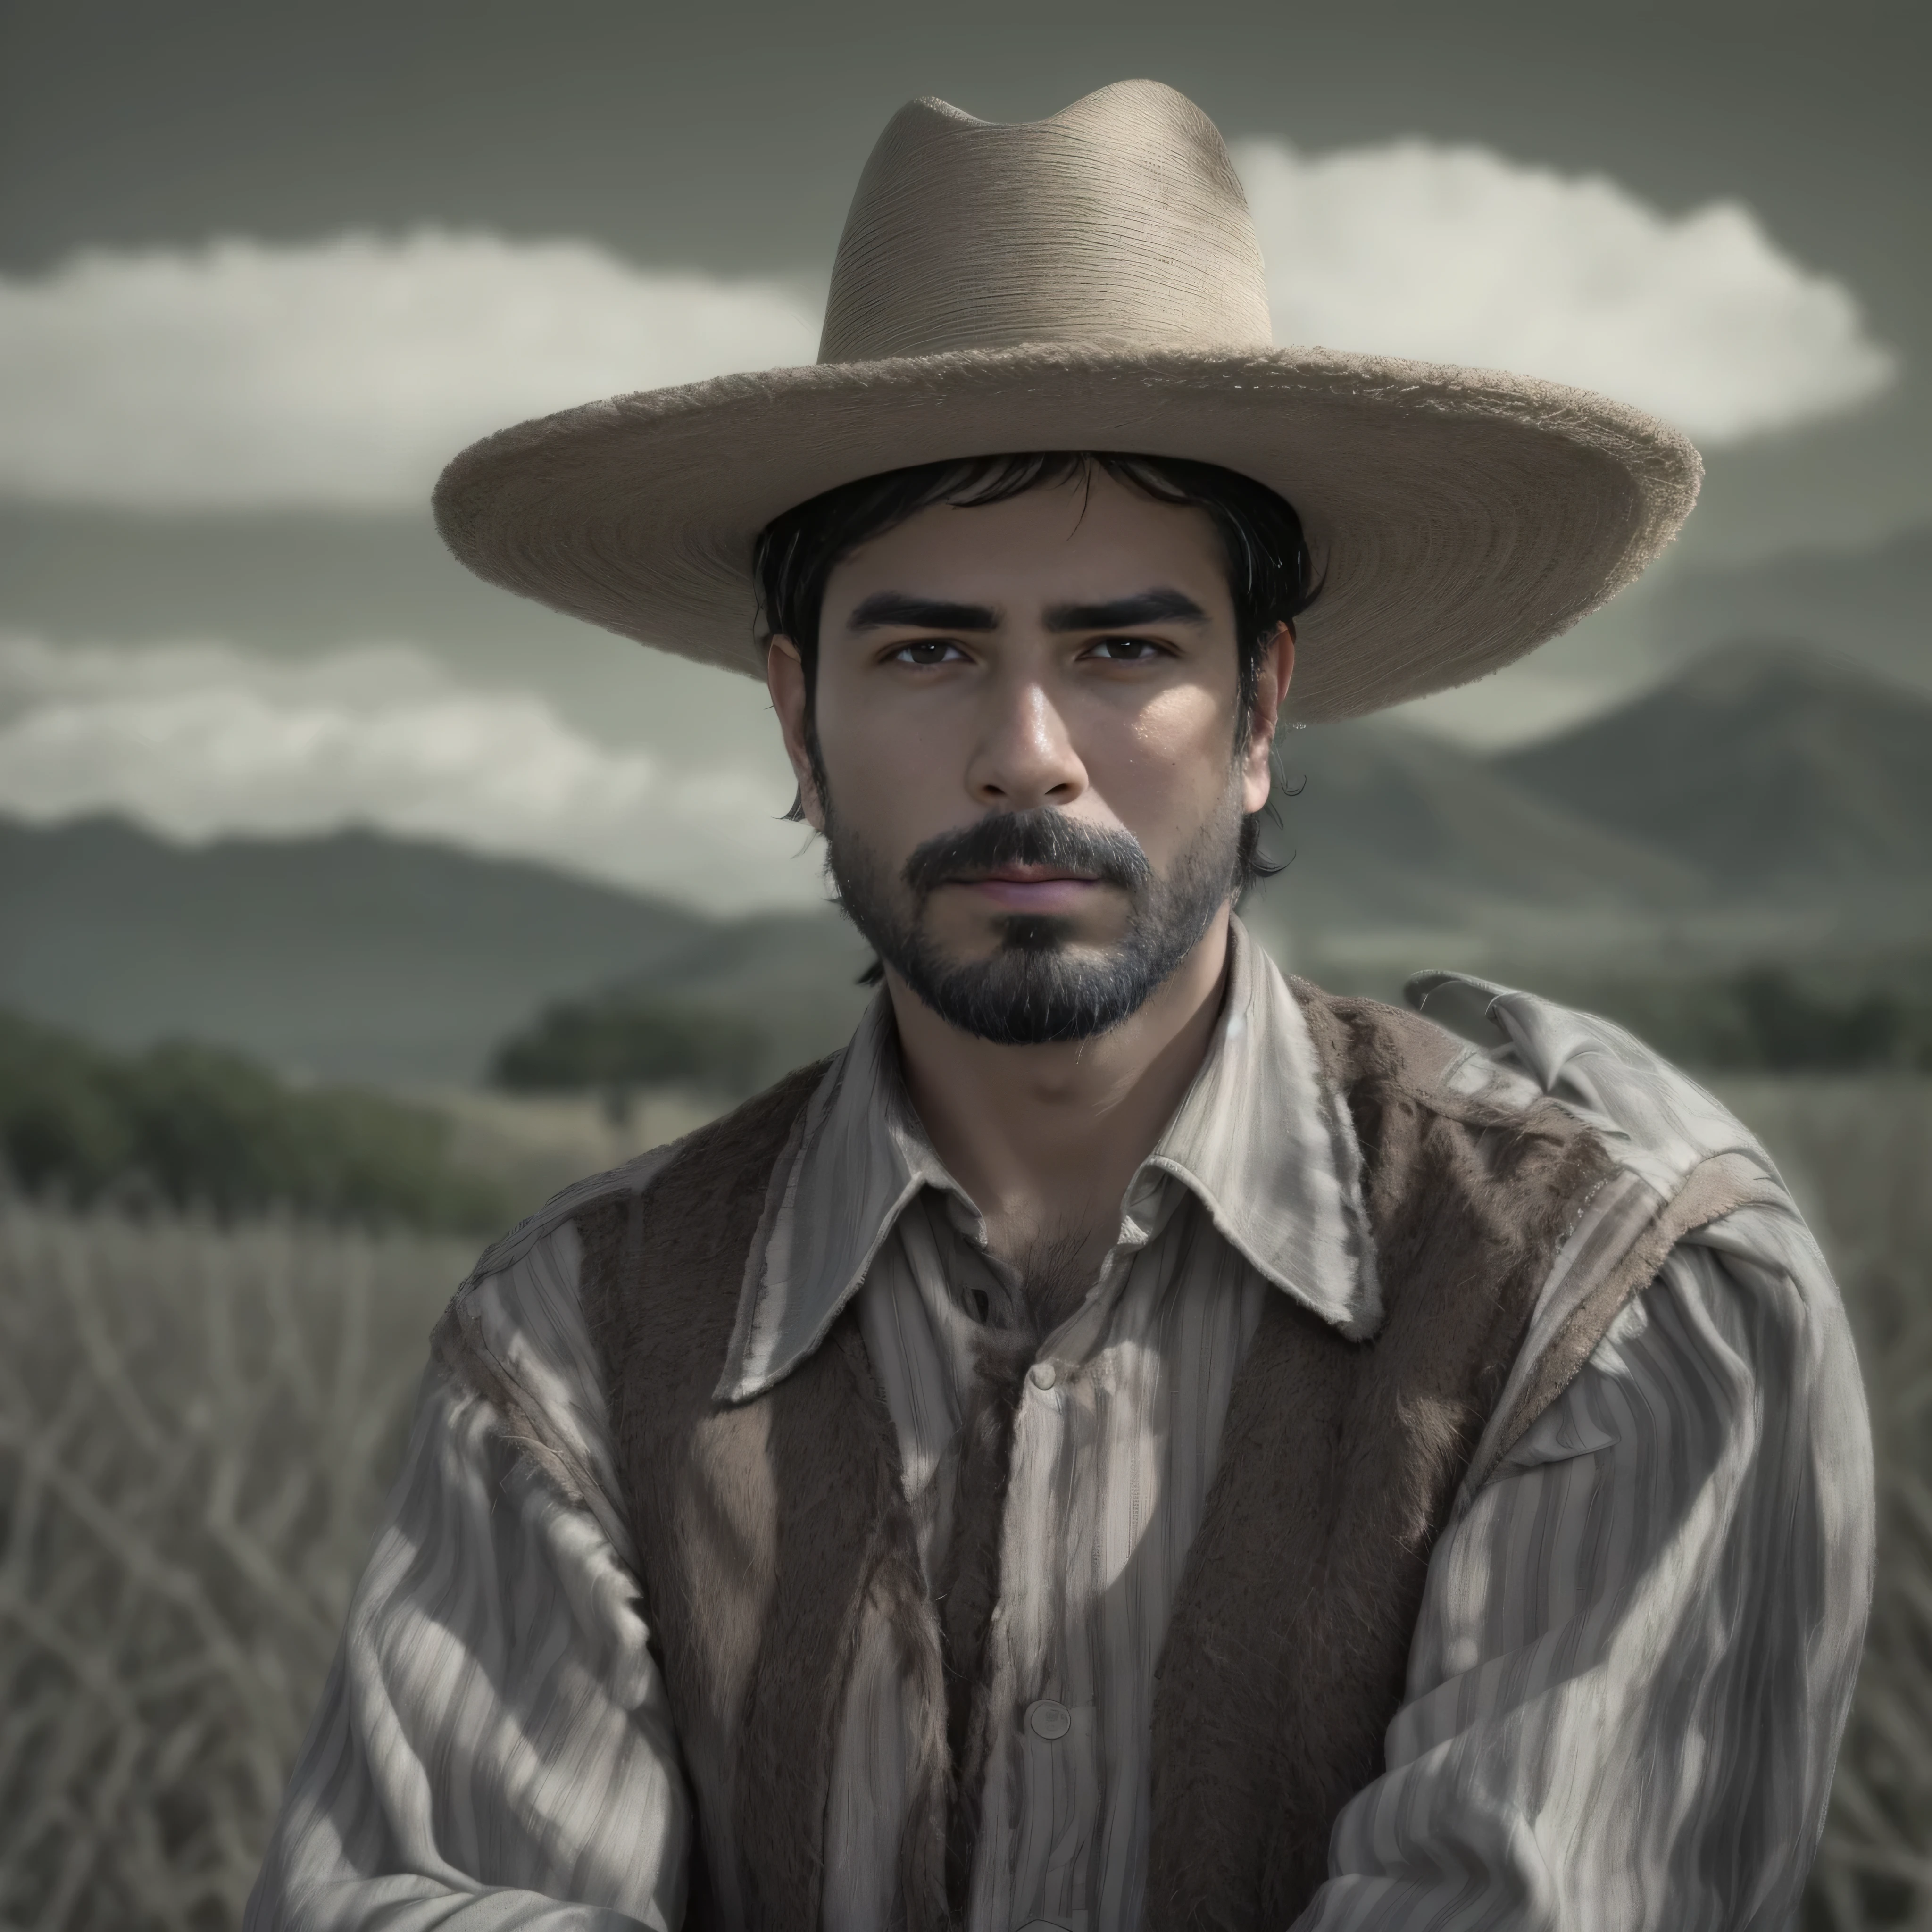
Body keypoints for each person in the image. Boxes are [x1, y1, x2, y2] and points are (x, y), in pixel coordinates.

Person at [248, 81, 1874, 1932]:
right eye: (929, 649)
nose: (1026, 754)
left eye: (1123, 649)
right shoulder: (572, 1340)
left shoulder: (1596, 1291)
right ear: (797, 721)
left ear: (1259, 713)